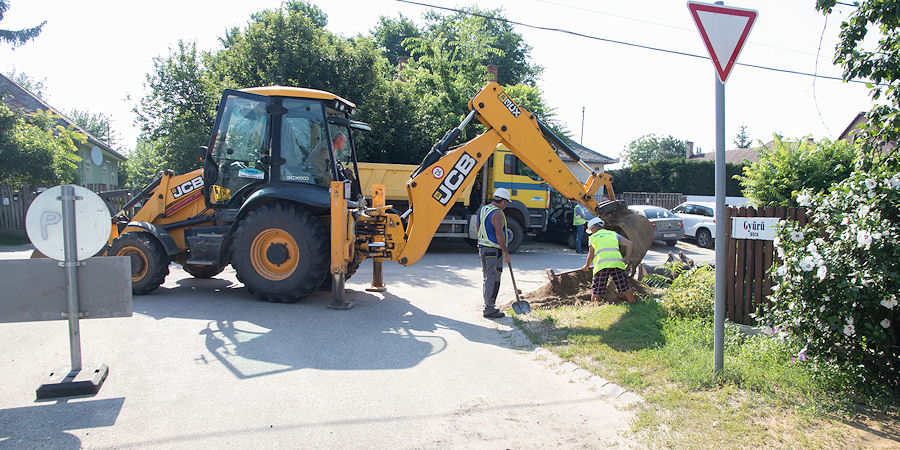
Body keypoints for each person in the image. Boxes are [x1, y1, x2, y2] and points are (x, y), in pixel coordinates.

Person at [581, 217, 636, 303]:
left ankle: (594, 308)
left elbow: (590, 255)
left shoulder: (592, 237)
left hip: (602, 265)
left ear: (594, 228)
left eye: (591, 230)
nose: (591, 232)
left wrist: (587, 266)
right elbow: (630, 244)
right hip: (616, 263)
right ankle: (634, 303)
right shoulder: (613, 234)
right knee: (625, 286)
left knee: (597, 290)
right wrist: (627, 259)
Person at [475, 188, 511, 319]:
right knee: (493, 278)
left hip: (483, 248)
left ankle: (488, 305)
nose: (506, 205)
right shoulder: (498, 214)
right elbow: (499, 234)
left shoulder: (483, 209)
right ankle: (489, 308)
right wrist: (505, 252)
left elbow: (478, 228)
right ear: (503, 201)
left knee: (487, 277)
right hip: (493, 250)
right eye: (506, 203)